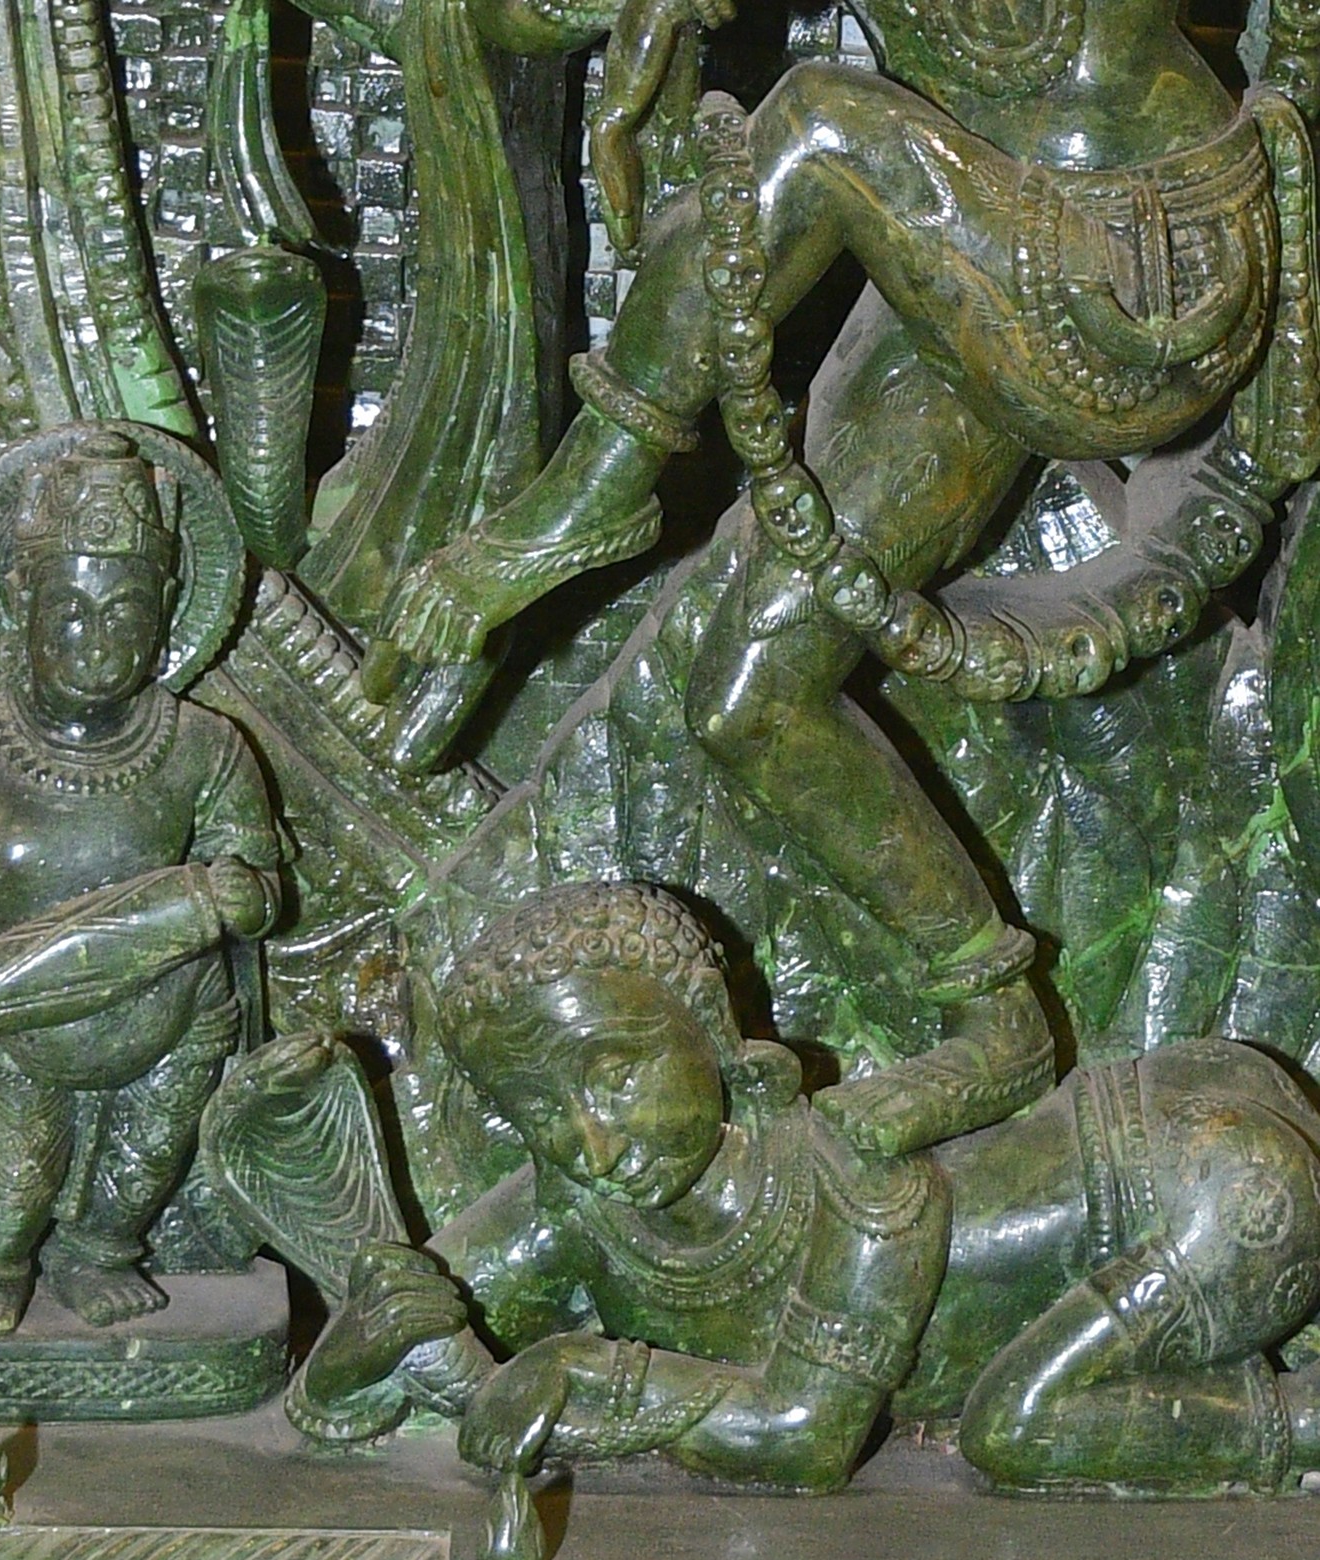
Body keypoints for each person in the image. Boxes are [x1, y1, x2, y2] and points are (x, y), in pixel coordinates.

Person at [367, 0, 1294, 1158]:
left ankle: (586, 499)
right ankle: (995, 1013)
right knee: (749, 692)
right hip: (972, 235)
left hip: (1128, 277)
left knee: (817, 124)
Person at [289, 882, 1320, 1560]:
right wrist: (350, 1355)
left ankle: (1298, 1421)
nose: (590, 1143)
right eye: (540, 1114)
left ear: (711, 1031)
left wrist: (584, 1368)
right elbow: (397, 1336)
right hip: (1191, 1125)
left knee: (1011, 1427)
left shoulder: (855, 1178)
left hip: (1210, 1190)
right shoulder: (581, 1196)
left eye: (617, 1077)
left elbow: (807, 1438)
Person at [0, 431, 281, 1335]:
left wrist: (244, 896)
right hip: (14, 1017)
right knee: (11, 1190)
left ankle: (99, 1252)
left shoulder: (203, 746)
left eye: (126, 615)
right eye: (72, 613)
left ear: (167, 610)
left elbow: (258, 878)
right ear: (22, 602)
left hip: (173, 1022)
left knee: (141, 1172)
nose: (99, 645)